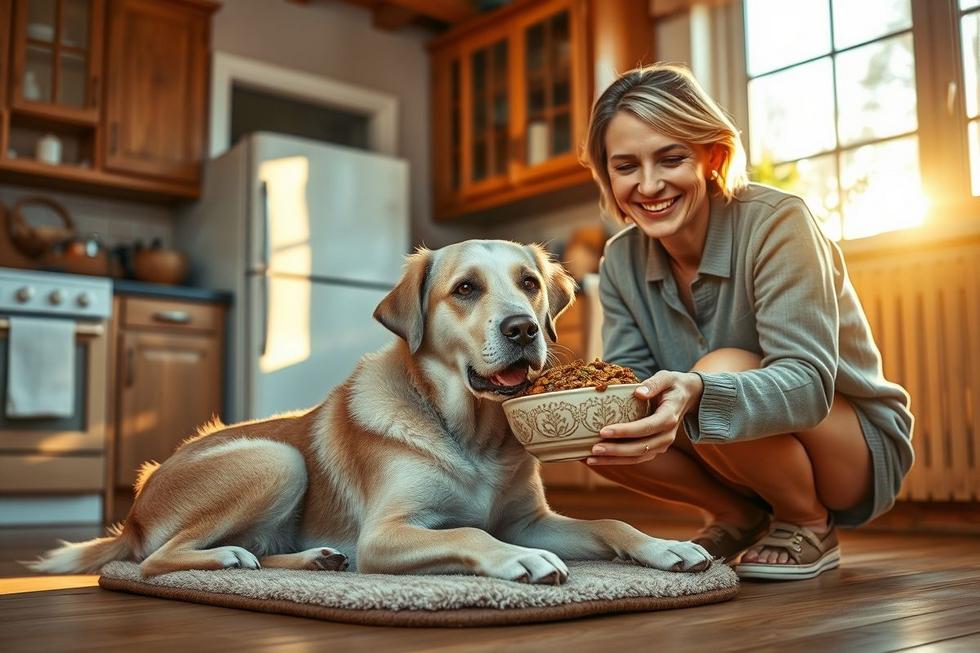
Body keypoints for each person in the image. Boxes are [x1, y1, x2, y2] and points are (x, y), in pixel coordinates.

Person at [580, 64, 914, 580]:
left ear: (712, 156)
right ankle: (738, 514)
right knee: (596, 426)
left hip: (850, 450)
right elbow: (628, 384)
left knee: (720, 369)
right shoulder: (620, 259)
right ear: (607, 173)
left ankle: (808, 520)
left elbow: (806, 386)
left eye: (671, 158)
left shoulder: (778, 222)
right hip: (735, 453)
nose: (648, 184)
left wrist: (697, 388)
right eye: (626, 166)